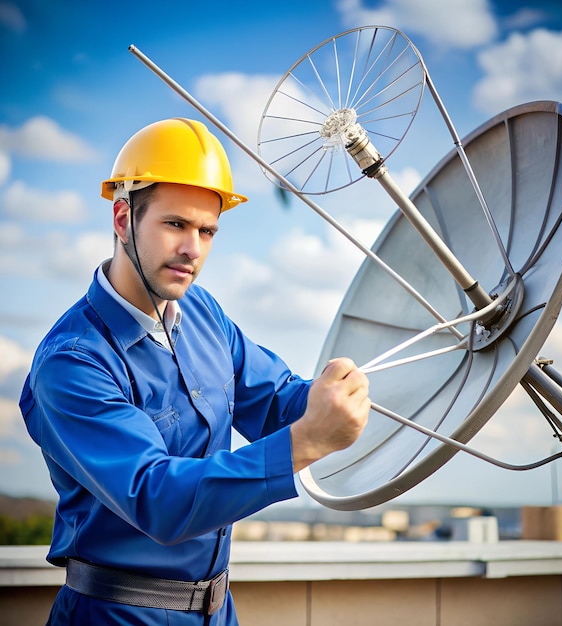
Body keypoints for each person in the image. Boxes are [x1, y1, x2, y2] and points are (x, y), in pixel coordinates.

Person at [19, 117, 370, 625]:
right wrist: (306, 441)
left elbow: (279, 403)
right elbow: (158, 497)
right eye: (175, 224)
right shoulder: (74, 361)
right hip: (117, 615)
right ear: (122, 219)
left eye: (207, 230)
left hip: (218, 611)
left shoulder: (203, 313)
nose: (193, 250)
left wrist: (345, 392)